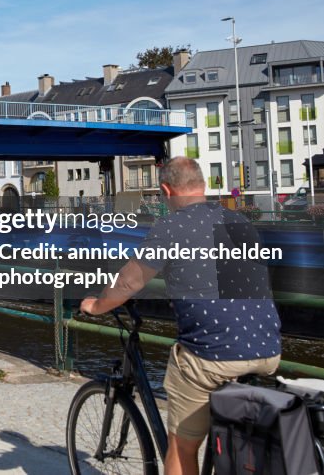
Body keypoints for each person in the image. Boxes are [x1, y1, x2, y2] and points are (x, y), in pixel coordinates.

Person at [81, 157, 280, 475]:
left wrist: (95, 305)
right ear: (202, 184)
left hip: (213, 356)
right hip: (268, 347)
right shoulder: (239, 220)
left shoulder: (171, 226)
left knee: (181, 446)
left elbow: (130, 282)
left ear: (165, 190)